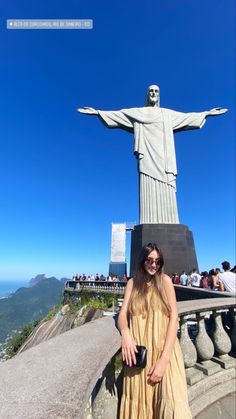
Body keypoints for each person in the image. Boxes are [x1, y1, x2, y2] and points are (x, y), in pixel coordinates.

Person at [78, 86, 227, 224]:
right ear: (147, 95)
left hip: (165, 158)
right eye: (151, 91)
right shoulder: (138, 113)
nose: (154, 93)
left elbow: (187, 117)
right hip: (147, 157)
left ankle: (170, 220)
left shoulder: (167, 114)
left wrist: (207, 113)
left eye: (156, 91)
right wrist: (97, 112)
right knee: (147, 187)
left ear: (159, 95)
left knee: (167, 187)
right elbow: (119, 114)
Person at [118, 243, 192, 419]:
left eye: (158, 262)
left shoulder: (165, 281)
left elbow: (174, 317)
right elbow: (122, 314)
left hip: (165, 352)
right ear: (142, 260)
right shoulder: (132, 283)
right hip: (140, 357)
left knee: (173, 407)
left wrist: (164, 360)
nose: (153, 265)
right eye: (150, 260)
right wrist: (126, 334)